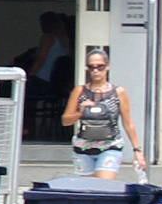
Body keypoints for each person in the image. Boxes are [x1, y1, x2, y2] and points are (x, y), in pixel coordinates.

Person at [62, 50, 146, 179]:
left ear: (107, 66)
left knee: (104, 187)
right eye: (91, 67)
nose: (96, 71)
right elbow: (66, 121)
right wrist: (80, 113)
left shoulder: (118, 92)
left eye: (100, 67)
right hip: (83, 149)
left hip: (110, 146)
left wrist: (137, 150)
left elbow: (128, 122)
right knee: (87, 192)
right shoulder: (80, 91)